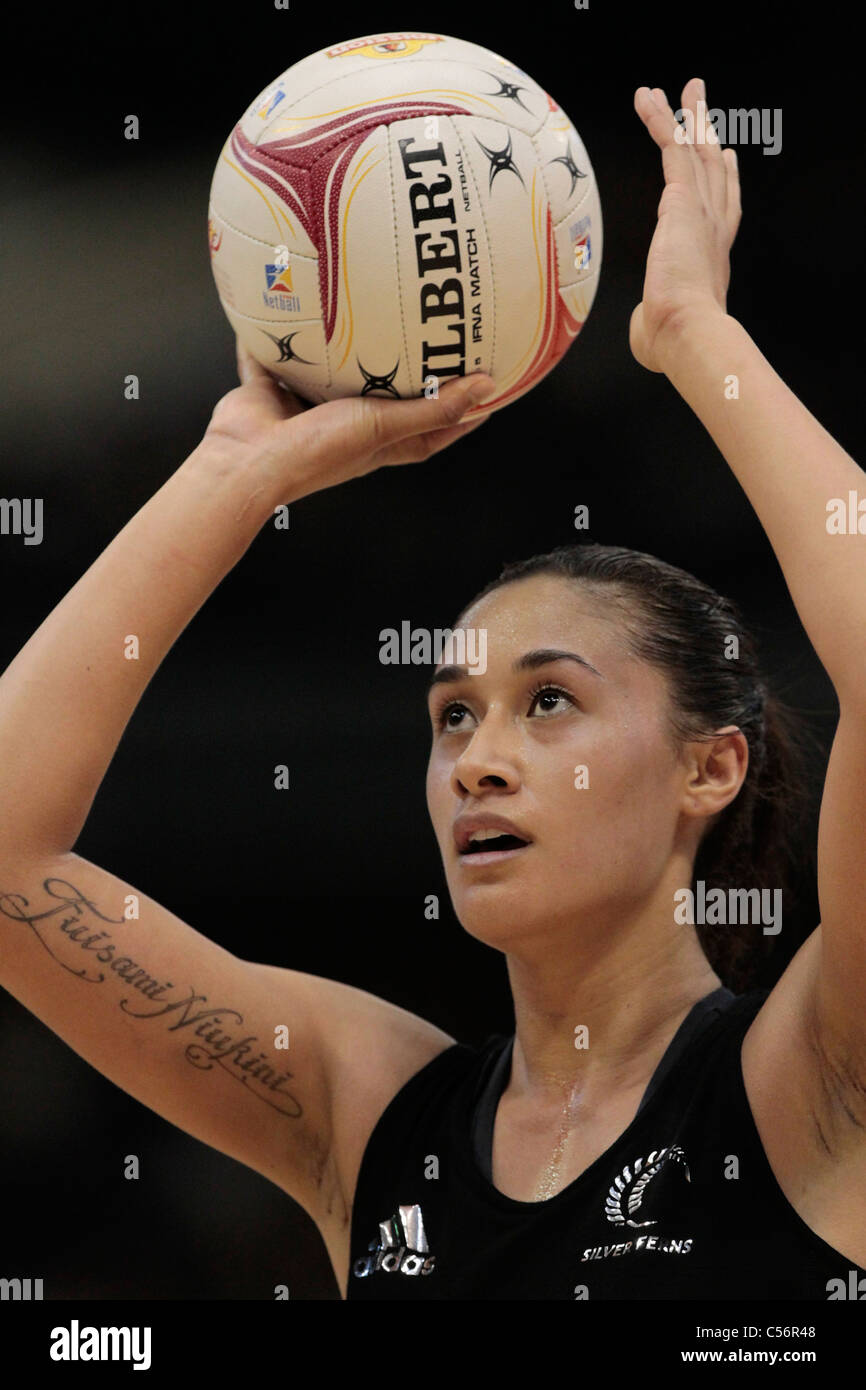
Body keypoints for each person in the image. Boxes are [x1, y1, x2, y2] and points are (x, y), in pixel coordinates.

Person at [0, 78, 863, 1300]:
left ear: (707, 766)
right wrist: (233, 473)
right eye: (451, 713)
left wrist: (691, 334)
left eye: (547, 700)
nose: (477, 759)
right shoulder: (364, 1112)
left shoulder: (813, 1075)